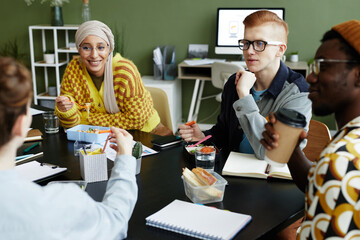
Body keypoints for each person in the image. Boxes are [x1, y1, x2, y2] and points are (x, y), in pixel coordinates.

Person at [0, 57, 138, 238]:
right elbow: (115, 221)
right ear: (20, 125)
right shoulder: (56, 204)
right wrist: (125, 158)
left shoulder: (124, 72)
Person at [261, 20, 360, 239]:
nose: (310, 77)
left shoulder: (342, 159)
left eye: (323, 67)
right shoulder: (350, 145)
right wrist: (291, 149)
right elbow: (321, 185)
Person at [179, 10, 312, 160]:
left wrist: (244, 95)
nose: (249, 51)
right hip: (232, 174)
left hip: (272, 178)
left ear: (280, 50)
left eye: (259, 44)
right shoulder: (233, 83)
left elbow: (271, 154)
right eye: (246, 43)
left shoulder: (299, 93)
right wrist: (202, 136)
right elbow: (223, 132)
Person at [55, 20, 172, 136]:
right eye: (86, 48)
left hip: (147, 133)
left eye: (100, 47)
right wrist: (67, 111)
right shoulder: (73, 70)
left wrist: (85, 118)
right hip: (103, 138)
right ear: (78, 49)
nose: (94, 55)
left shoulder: (125, 72)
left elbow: (136, 120)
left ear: (109, 49)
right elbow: (69, 124)